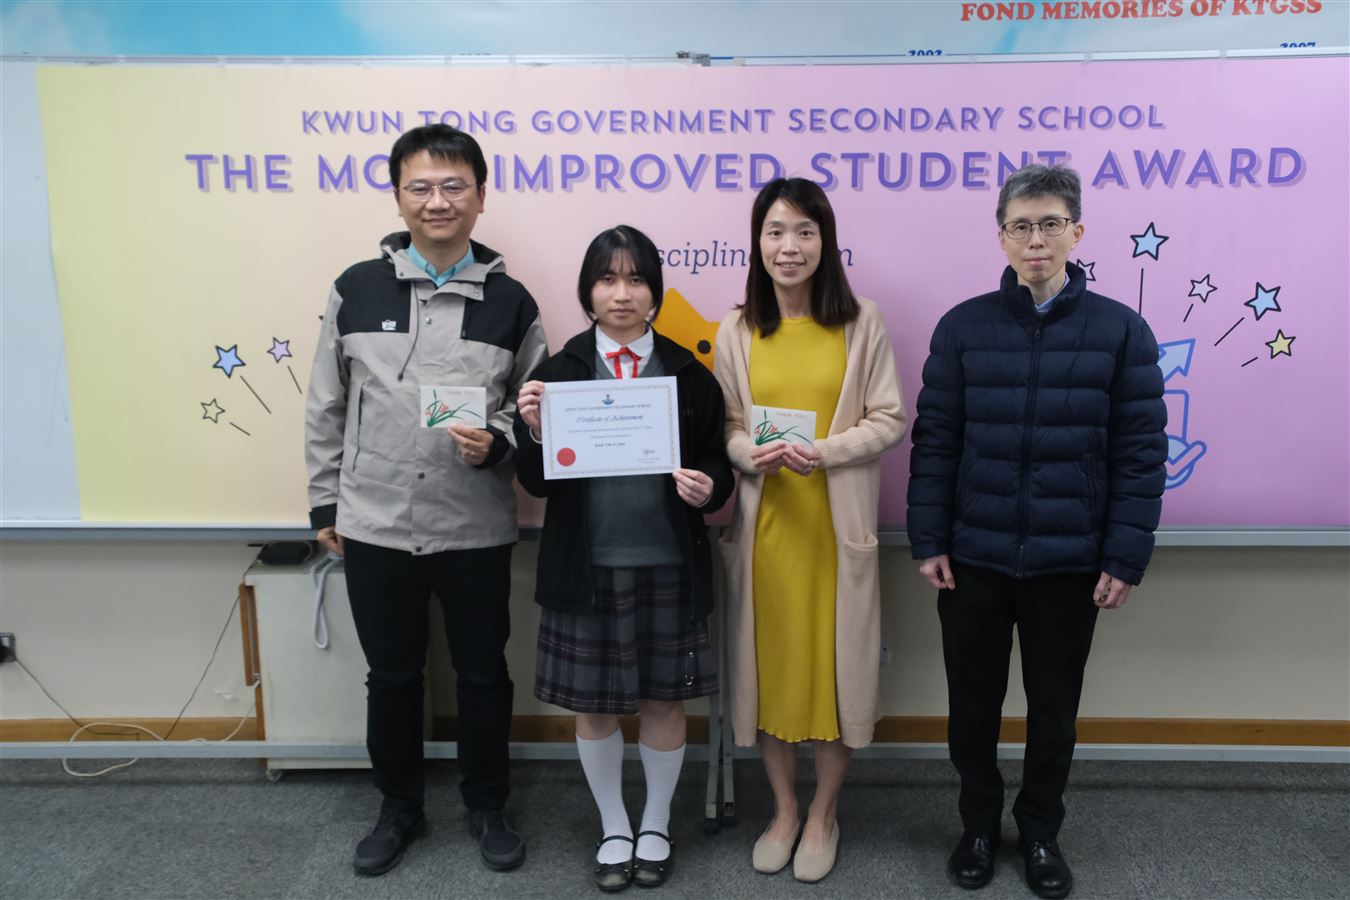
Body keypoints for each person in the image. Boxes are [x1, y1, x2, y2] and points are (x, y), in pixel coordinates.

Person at [906, 164, 1167, 899]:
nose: (1036, 240)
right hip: (975, 558)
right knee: (972, 710)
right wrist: (929, 539)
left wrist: (1124, 555)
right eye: (1020, 226)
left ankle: (1042, 832)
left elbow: (1141, 454)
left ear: (1076, 232)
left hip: (1069, 563)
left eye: (1050, 224)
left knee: (1053, 714)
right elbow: (936, 442)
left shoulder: (1121, 330)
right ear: (1002, 237)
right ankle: (978, 828)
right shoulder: (963, 327)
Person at [304, 124, 548, 876]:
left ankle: (488, 804)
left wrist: (498, 444)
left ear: (480, 196)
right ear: (398, 196)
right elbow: (325, 405)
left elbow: (534, 408)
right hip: (375, 521)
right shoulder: (356, 289)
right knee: (392, 678)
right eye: (421, 186)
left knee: (483, 676)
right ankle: (398, 808)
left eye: (453, 186)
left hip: (474, 524)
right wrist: (324, 506)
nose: (437, 201)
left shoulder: (512, 302)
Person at [513, 225, 734, 892]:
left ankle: (656, 822)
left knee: (665, 701)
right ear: (588, 292)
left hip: (669, 563)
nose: (622, 293)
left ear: (655, 293)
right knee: (595, 707)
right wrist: (533, 432)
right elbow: (537, 484)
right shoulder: (557, 374)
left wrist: (710, 485)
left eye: (636, 279)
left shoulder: (688, 373)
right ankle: (614, 824)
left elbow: (717, 461)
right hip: (587, 568)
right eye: (607, 279)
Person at [714, 178, 907, 883]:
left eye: (804, 231)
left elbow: (890, 418)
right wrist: (749, 454)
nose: (788, 246)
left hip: (834, 534)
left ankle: (824, 812)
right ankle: (785, 810)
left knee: (835, 676)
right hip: (767, 537)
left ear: (825, 242)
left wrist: (823, 452)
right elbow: (729, 427)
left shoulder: (861, 321)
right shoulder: (737, 329)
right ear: (757, 242)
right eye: (775, 231)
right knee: (771, 677)